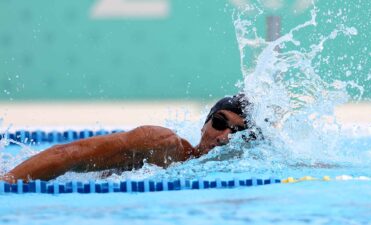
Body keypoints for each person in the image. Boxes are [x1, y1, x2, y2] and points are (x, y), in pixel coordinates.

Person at [1, 94, 262, 183]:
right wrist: (7, 182)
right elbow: (71, 153)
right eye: (219, 123)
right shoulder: (162, 144)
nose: (224, 137)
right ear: (205, 123)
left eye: (237, 132)